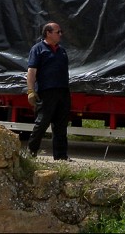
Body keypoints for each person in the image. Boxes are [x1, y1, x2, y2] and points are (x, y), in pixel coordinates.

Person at [26, 21, 71, 160]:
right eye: (58, 32)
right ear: (48, 33)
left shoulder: (62, 50)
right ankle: (31, 152)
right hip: (47, 92)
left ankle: (61, 156)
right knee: (42, 122)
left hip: (62, 91)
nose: (60, 34)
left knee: (61, 125)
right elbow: (31, 71)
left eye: (61, 32)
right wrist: (30, 90)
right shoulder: (38, 49)